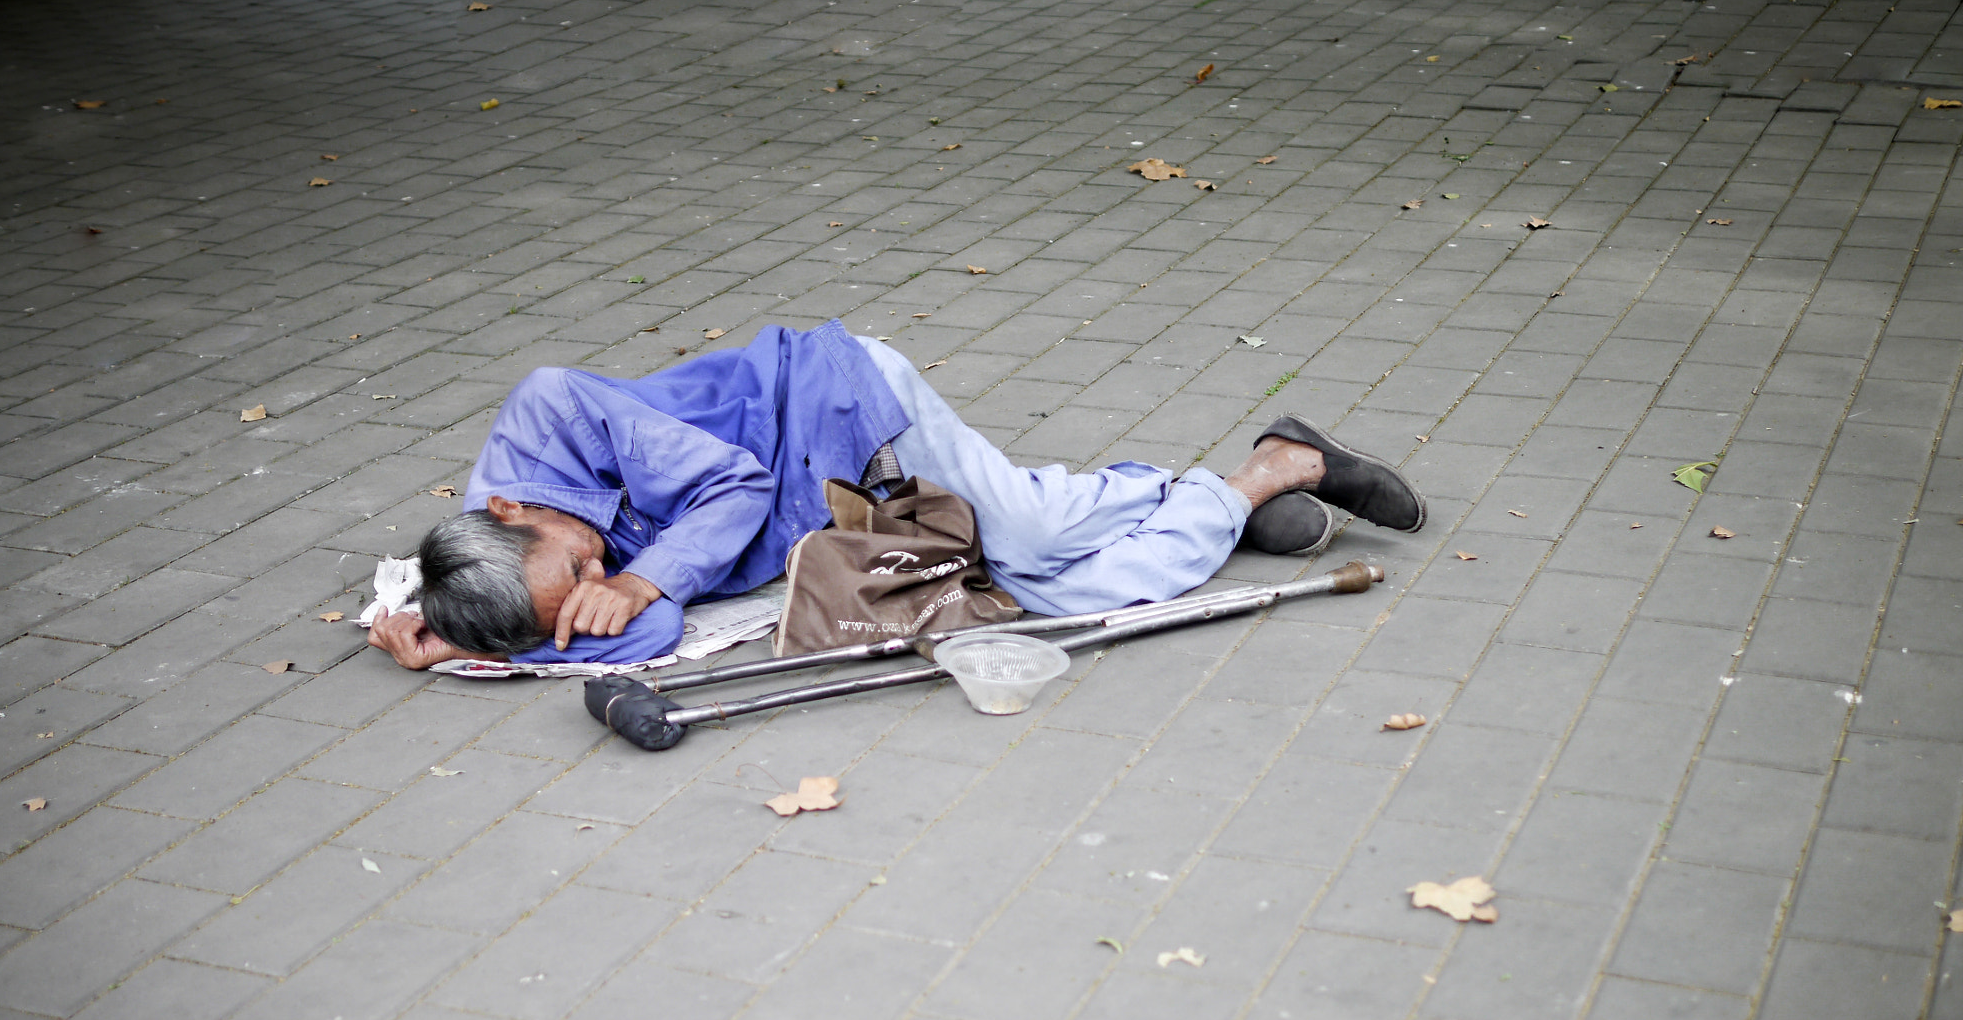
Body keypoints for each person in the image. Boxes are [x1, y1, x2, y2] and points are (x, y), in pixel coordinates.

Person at [366, 320, 1425, 670]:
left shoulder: (550, 411)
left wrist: (642, 576)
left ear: (506, 508)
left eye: (578, 560)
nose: (596, 572)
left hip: (835, 406)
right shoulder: (501, 580)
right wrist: (454, 641)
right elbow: (620, 641)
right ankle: (1230, 496)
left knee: (1026, 531)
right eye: (581, 591)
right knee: (1049, 598)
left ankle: (1263, 471)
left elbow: (729, 487)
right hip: (818, 513)